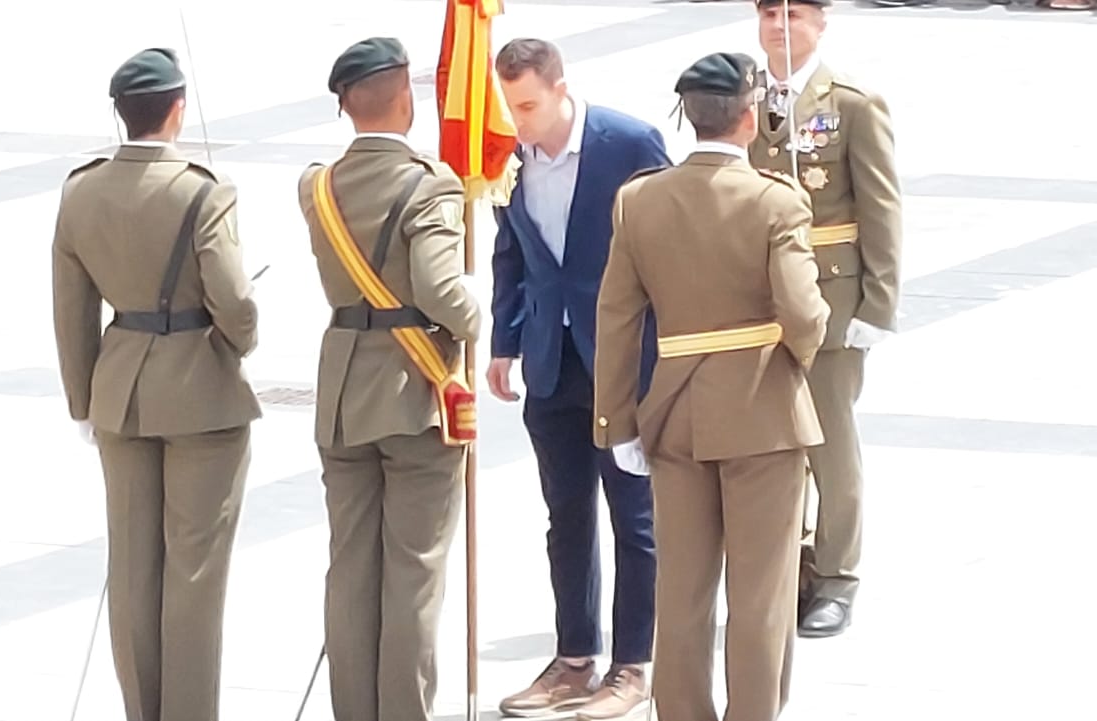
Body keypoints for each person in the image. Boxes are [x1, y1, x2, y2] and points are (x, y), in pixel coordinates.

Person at [593, 51, 829, 721]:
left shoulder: (638, 201)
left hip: (673, 414)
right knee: (761, 595)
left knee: (683, 593)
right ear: (749, 118)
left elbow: (615, 319)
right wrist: (803, 354)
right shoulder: (775, 201)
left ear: (688, 118)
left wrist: (617, 422)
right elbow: (803, 313)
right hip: (762, 412)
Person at [51, 47, 261, 721]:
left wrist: (83, 398)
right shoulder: (204, 189)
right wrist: (241, 339)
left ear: (121, 115)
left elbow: (71, 307)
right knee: (194, 574)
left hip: (121, 391)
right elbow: (234, 302)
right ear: (177, 110)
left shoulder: (81, 190)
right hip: (200, 391)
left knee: (133, 569)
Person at [295, 36, 483, 721]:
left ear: (346, 104)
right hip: (413, 393)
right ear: (405, 96)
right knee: (413, 571)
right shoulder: (428, 181)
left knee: (350, 569)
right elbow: (439, 289)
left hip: (343, 392)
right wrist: (476, 310)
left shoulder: (315, 185)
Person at [486, 37, 669, 720]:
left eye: (528, 104)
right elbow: (512, 253)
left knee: (635, 516)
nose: (518, 119)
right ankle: (573, 657)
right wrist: (504, 339)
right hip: (551, 359)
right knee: (565, 515)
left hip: (622, 361)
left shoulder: (627, 143)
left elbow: (669, 239)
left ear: (561, 87)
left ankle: (634, 663)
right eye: (509, 106)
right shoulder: (510, 159)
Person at [750, 0, 904, 638]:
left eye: (795, 16)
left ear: (820, 24)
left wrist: (879, 304)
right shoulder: (741, 95)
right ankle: (791, 567)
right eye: (769, 16)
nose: (780, 27)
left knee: (829, 444)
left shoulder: (851, 103)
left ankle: (837, 575)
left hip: (831, 296)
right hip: (758, 300)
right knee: (770, 444)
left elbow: (881, 205)